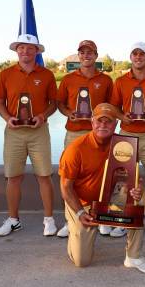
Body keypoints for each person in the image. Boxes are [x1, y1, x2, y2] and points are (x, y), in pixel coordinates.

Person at [59, 103, 145, 274]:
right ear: (92, 121)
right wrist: (80, 213)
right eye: (99, 121)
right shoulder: (75, 149)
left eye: (108, 121)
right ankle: (73, 224)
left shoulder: (126, 146)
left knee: (138, 199)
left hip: (113, 200)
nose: (103, 125)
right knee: (81, 261)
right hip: (84, 205)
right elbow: (66, 187)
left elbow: (134, 179)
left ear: (116, 124)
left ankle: (133, 257)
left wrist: (136, 189)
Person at [0, 34, 59, 237]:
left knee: (44, 176)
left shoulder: (47, 75)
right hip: (13, 132)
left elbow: (54, 103)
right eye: (21, 48)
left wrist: (42, 116)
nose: (25, 51)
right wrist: (7, 118)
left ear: (37, 51)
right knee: (13, 177)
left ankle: (49, 220)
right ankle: (14, 220)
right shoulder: (5, 74)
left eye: (30, 48)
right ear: (16, 50)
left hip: (38, 131)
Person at [56, 39, 113, 238]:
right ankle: (70, 219)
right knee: (69, 177)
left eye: (90, 52)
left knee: (102, 175)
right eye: (82, 52)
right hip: (74, 131)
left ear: (96, 56)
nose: (86, 55)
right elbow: (60, 104)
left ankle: (104, 217)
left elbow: (111, 107)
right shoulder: (68, 79)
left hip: (99, 133)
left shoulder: (105, 80)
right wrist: (68, 113)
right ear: (78, 55)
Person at [109, 42, 145, 239]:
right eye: (135, 54)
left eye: (142, 54)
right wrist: (121, 117)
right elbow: (114, 107)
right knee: (123, 178)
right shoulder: (121, 81)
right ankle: (122, 218)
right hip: (126, 133)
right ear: (130, 57)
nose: (138, 57)